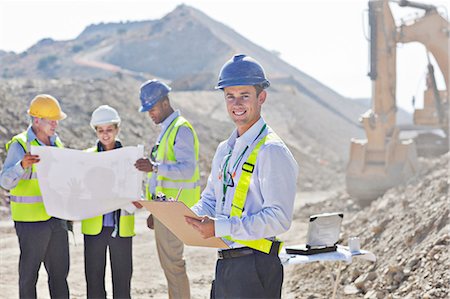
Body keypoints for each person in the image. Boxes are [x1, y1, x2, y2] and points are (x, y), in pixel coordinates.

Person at [185, 54, 299, 299]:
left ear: (261, 97)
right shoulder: (224, 150)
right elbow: (211, 200)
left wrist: (219, 226)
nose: (236, 103)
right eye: (230, 96)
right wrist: (184, 216)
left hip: (256, 267)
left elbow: (279, 219)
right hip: (227, 265)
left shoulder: (271, 150)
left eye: (244, 95)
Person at [134, 79, 200, 299]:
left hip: (175, 210)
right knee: (170, 266)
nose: (150, 114)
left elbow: (187, 170)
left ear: (164, 103)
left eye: (152, 109)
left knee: (173, 266)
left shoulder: (180, 129)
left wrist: (153, 167)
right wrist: (155, 211)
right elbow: (161, 178)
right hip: (166, 210)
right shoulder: (168, 130)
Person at [0, 94, 70, 299]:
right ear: (37, 120)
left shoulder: (58, 144)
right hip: (30, 223)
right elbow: (4, 181)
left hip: (56, 219)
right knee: (29, 277)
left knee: (59, 275)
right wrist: (22, 165)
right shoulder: (20, 145)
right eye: (51, 120)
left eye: (57, 120)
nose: (56, 124)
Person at [82, 105, 134, 299]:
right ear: (95, 131)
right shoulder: (86, 158)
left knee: (122, 280)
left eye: (109, 130)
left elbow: (137, 191)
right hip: (95, 227)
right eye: (100, 130)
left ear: (117, 129)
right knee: (94, 280)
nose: (105, 135)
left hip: (121, 228)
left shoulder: (130, 158)